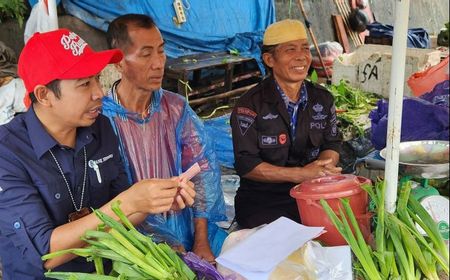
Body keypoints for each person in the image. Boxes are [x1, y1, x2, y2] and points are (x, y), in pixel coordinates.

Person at [0, 28, 195, 280]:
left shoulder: (99, 127)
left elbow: (124, 214)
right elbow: (45, 252)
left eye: (97, 79)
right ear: (44, 95)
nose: (99, 92)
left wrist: (154, 199)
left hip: (106, 270)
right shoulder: (7, 152)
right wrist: (129, 201)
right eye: (84, 84)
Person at [103, 14, 227, 262]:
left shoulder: (177, 108)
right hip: (128, 243)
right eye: (146, 54)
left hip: (187, 231)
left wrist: (200, 241)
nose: (159, 63)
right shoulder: (101, 118)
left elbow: (203, 173)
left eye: (161, 51)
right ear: (118, 62)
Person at [230, 19, 343, 229]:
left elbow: (332, 142)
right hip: (263, 200)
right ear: (269, 59)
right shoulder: (250, 105)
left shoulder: (323, 99)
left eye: (304, 48)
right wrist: (301, 174)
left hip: (312, 193)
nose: (301, 56)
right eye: (290, 50)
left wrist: (324, 166)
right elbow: (247, 165)